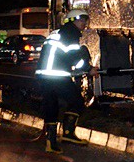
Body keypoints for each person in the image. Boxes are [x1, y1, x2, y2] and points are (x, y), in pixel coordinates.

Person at [36, 8, 97, 153]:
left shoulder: (57, 32)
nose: (84, 23)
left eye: (85, 20)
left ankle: (50, 143)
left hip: (43, 75)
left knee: (51, 106)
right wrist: (89, 69)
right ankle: (68, 134)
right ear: (71, 20)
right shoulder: (70, 33)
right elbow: (74, 58)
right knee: (77, 102)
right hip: (57, 76)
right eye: (81, 20)